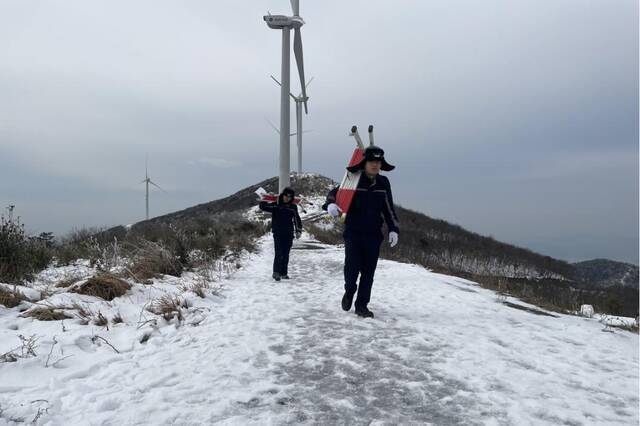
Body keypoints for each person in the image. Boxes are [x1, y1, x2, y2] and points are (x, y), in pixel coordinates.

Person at [323, 145, 399, 318]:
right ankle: (349, 290)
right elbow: (334, 193)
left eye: (378, 162)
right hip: (354, 232)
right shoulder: (353, 179)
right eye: (372, 161)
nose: (375, 165)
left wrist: (394, 229)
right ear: (364, 162)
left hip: (373, 234)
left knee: (368, 272)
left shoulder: (383, 183)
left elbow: (389, 208)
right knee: (351, 268)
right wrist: (330, 204)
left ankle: (362, 305)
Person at [259, 187, 302, 281]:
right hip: (278, 232)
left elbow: (296, 219)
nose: (288, 198)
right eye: (286, 195)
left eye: (290, 196)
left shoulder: (293, 207)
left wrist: (298, 230)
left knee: (286, 254)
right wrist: (265, 199)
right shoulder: (276, 205)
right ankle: (276, 272)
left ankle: (284, 273)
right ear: (283, 195)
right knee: (278, 253)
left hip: (289, 233)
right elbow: (263, 207)